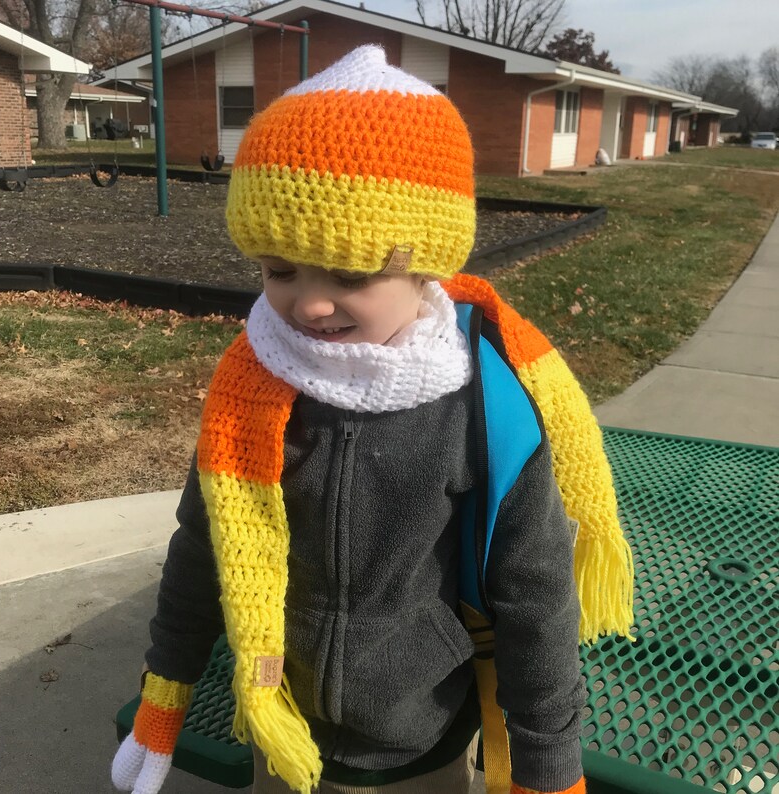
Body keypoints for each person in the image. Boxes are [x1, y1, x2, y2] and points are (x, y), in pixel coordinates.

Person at [111, 45, 632, 794]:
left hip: (426, 731)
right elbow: (203, 549)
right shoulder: (252, 392)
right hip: (281, 718)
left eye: (350, 275)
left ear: (427, 267)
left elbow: (535, 592)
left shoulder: (479, 408)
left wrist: (548, 763)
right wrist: (164, 699)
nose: (309, 305)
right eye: (279, 270)